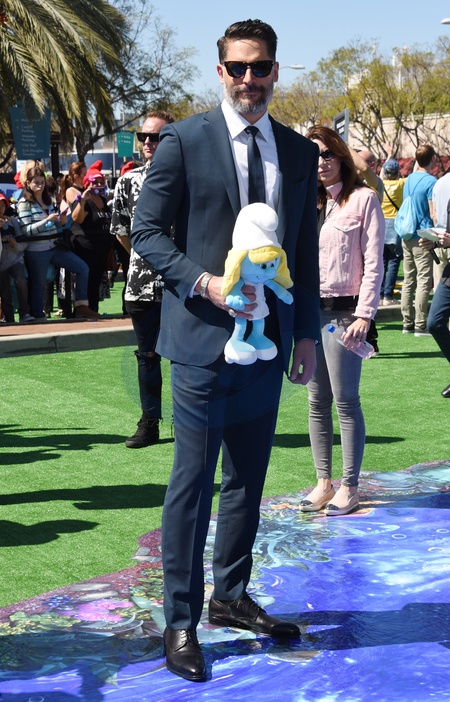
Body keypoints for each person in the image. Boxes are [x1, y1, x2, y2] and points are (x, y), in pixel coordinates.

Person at [131, 18, 321, 683]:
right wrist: (206, 283)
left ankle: (231, 596)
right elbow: (146, 231)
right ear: (220, 72)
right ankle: (180, 620)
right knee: (192, 484)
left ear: (275, 71)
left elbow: (301, 251)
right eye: (237, 67)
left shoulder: (297, 152)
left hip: (268, 346)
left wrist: (305, 334)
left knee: (247, 479)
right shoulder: (184, 141)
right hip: (200, 343)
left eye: (260, 67)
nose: (249, 79)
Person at [299, 125, 384, 518]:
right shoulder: (309, 203)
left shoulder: (364, 199)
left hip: (345, 315)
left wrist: (365, 314)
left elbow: (374, 263)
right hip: (310, 313)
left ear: (341, 156)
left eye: (327, 153)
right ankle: (323, 482)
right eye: (314, 155)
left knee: (346, 400)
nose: (321, 162)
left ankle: (349, 485)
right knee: (317, 401)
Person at [111, 111, 174, 448]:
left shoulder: (189, 178)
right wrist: (145, 256)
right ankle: (149, 423)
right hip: (141, 284)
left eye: (156, 137)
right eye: (143, 136)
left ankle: (193, 423)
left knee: (190, 356)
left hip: (183, 283)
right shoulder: (127, 181)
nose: (148, 142)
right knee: (147, 356)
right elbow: (122, 232)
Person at [17, 166, 96, 320]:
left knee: (82, 268)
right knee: (39, 283)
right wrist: (47, 221)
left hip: (54, 246)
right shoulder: (24, 202)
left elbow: (55, 226)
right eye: (36, 183)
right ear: (28, 183)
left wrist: (62, 221)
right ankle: (38, 315)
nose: (40, 186)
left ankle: (81, 306)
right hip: (37, 250)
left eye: (42, 182)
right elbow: (26, 230)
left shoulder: (48, 200)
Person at [400, 144, 437, 336]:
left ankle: (407, 322)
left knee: (409, 280)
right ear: (433, 159)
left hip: (406, 234)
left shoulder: (409, 179)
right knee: (424, 280)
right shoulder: (431, 181)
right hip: (423, 236)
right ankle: (420, 324)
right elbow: (433, 211)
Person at [70, 164, 112, 314]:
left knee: (96, 281)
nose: (98, 185)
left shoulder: (103, 200)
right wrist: (82, 201)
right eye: (95, 182)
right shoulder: (85, 200)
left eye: (101, 182)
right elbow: (77, 219)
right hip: (86, 248)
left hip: (102, 249)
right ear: (87, 183)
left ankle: (93, 310)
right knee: (89, 280)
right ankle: (83, 310)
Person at [0, 193, 33, 323]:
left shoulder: (13, 221)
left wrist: (16, 245)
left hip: (15, 259)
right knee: (5, 292)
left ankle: (24, 313)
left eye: (2, 206)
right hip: (1, 263)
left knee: (21, 282)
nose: (0, 209)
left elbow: (23, 240)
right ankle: (9, 318)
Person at [379, 158, 406, 304]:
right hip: (395, 226)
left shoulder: (380, 184)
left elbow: (381, 175)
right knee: (394, 262)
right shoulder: (401, 184)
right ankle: (388, 296)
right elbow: (416, 171)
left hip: (381, 225)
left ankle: (380, 294)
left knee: (382, 262)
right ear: (397, 173)